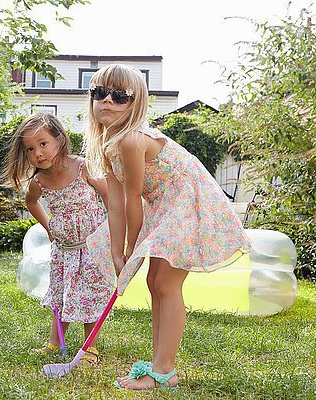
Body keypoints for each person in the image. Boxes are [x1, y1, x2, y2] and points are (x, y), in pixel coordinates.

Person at [84, 64, 251, 390]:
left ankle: (163, 370)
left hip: (190, 203)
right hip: (166, 206)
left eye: (119, 96)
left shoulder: (133, 140)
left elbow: (134, 199)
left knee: (165, 284)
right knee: (156, 281)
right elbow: (115, 203)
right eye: (100, 93)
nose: (108, 101)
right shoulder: (109, 147)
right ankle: (161, 366)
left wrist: (132, 249)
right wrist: (117, 253)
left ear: (135, 104)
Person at [0, 112, 115, 366]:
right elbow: (30, 203)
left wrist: (112, 231)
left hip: (92, 247)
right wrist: (49, 227)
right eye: (30, 149)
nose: (38, 153)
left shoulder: (84, 167)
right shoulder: (39, 182)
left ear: (60, 139)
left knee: (90, 296)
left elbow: (109, 197)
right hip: (64, 250)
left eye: (43, 144)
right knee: (61, 297)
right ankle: (53, 343)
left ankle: (89, 349)